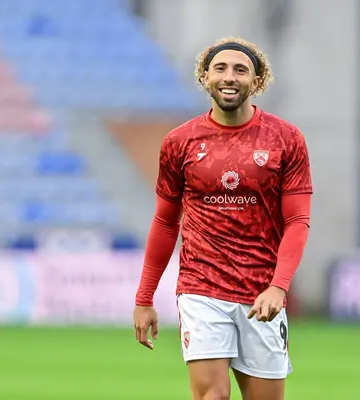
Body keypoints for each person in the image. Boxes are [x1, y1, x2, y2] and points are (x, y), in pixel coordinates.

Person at [134, 37, 312, 400]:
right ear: (205, 77)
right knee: (211, 397)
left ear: (256, 81)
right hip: (202, 288)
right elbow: (166, 222)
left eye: (240, 70)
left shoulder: (286, 139)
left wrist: (278, 286)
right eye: (220, 68)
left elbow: (297, 221)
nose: (229, 77)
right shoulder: (179, 142)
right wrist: (144, 297)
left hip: (261, 293)